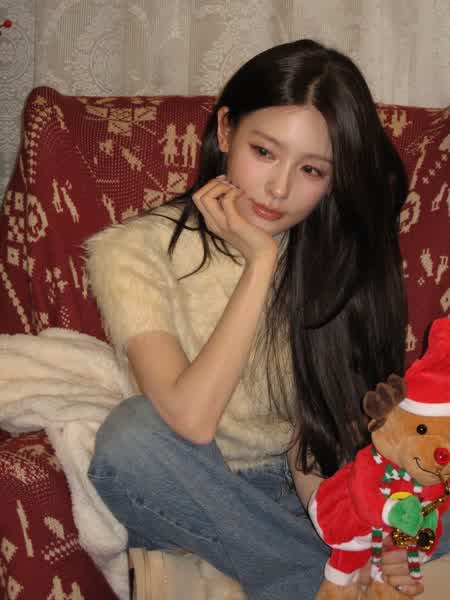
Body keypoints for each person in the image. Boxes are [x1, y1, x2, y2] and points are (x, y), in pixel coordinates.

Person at [85, 39, 449, 599]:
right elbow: (189, 420)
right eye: (264, 152)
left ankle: (335, 565)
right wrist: (259, 264)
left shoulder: (333, 253)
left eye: (311, 170)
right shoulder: (133, 250)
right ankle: (328, 574)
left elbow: (317, 435)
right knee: (129, 441)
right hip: (196, 482)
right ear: (225, 131)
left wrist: (359, 520)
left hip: (298, 489)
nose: (279, 189)